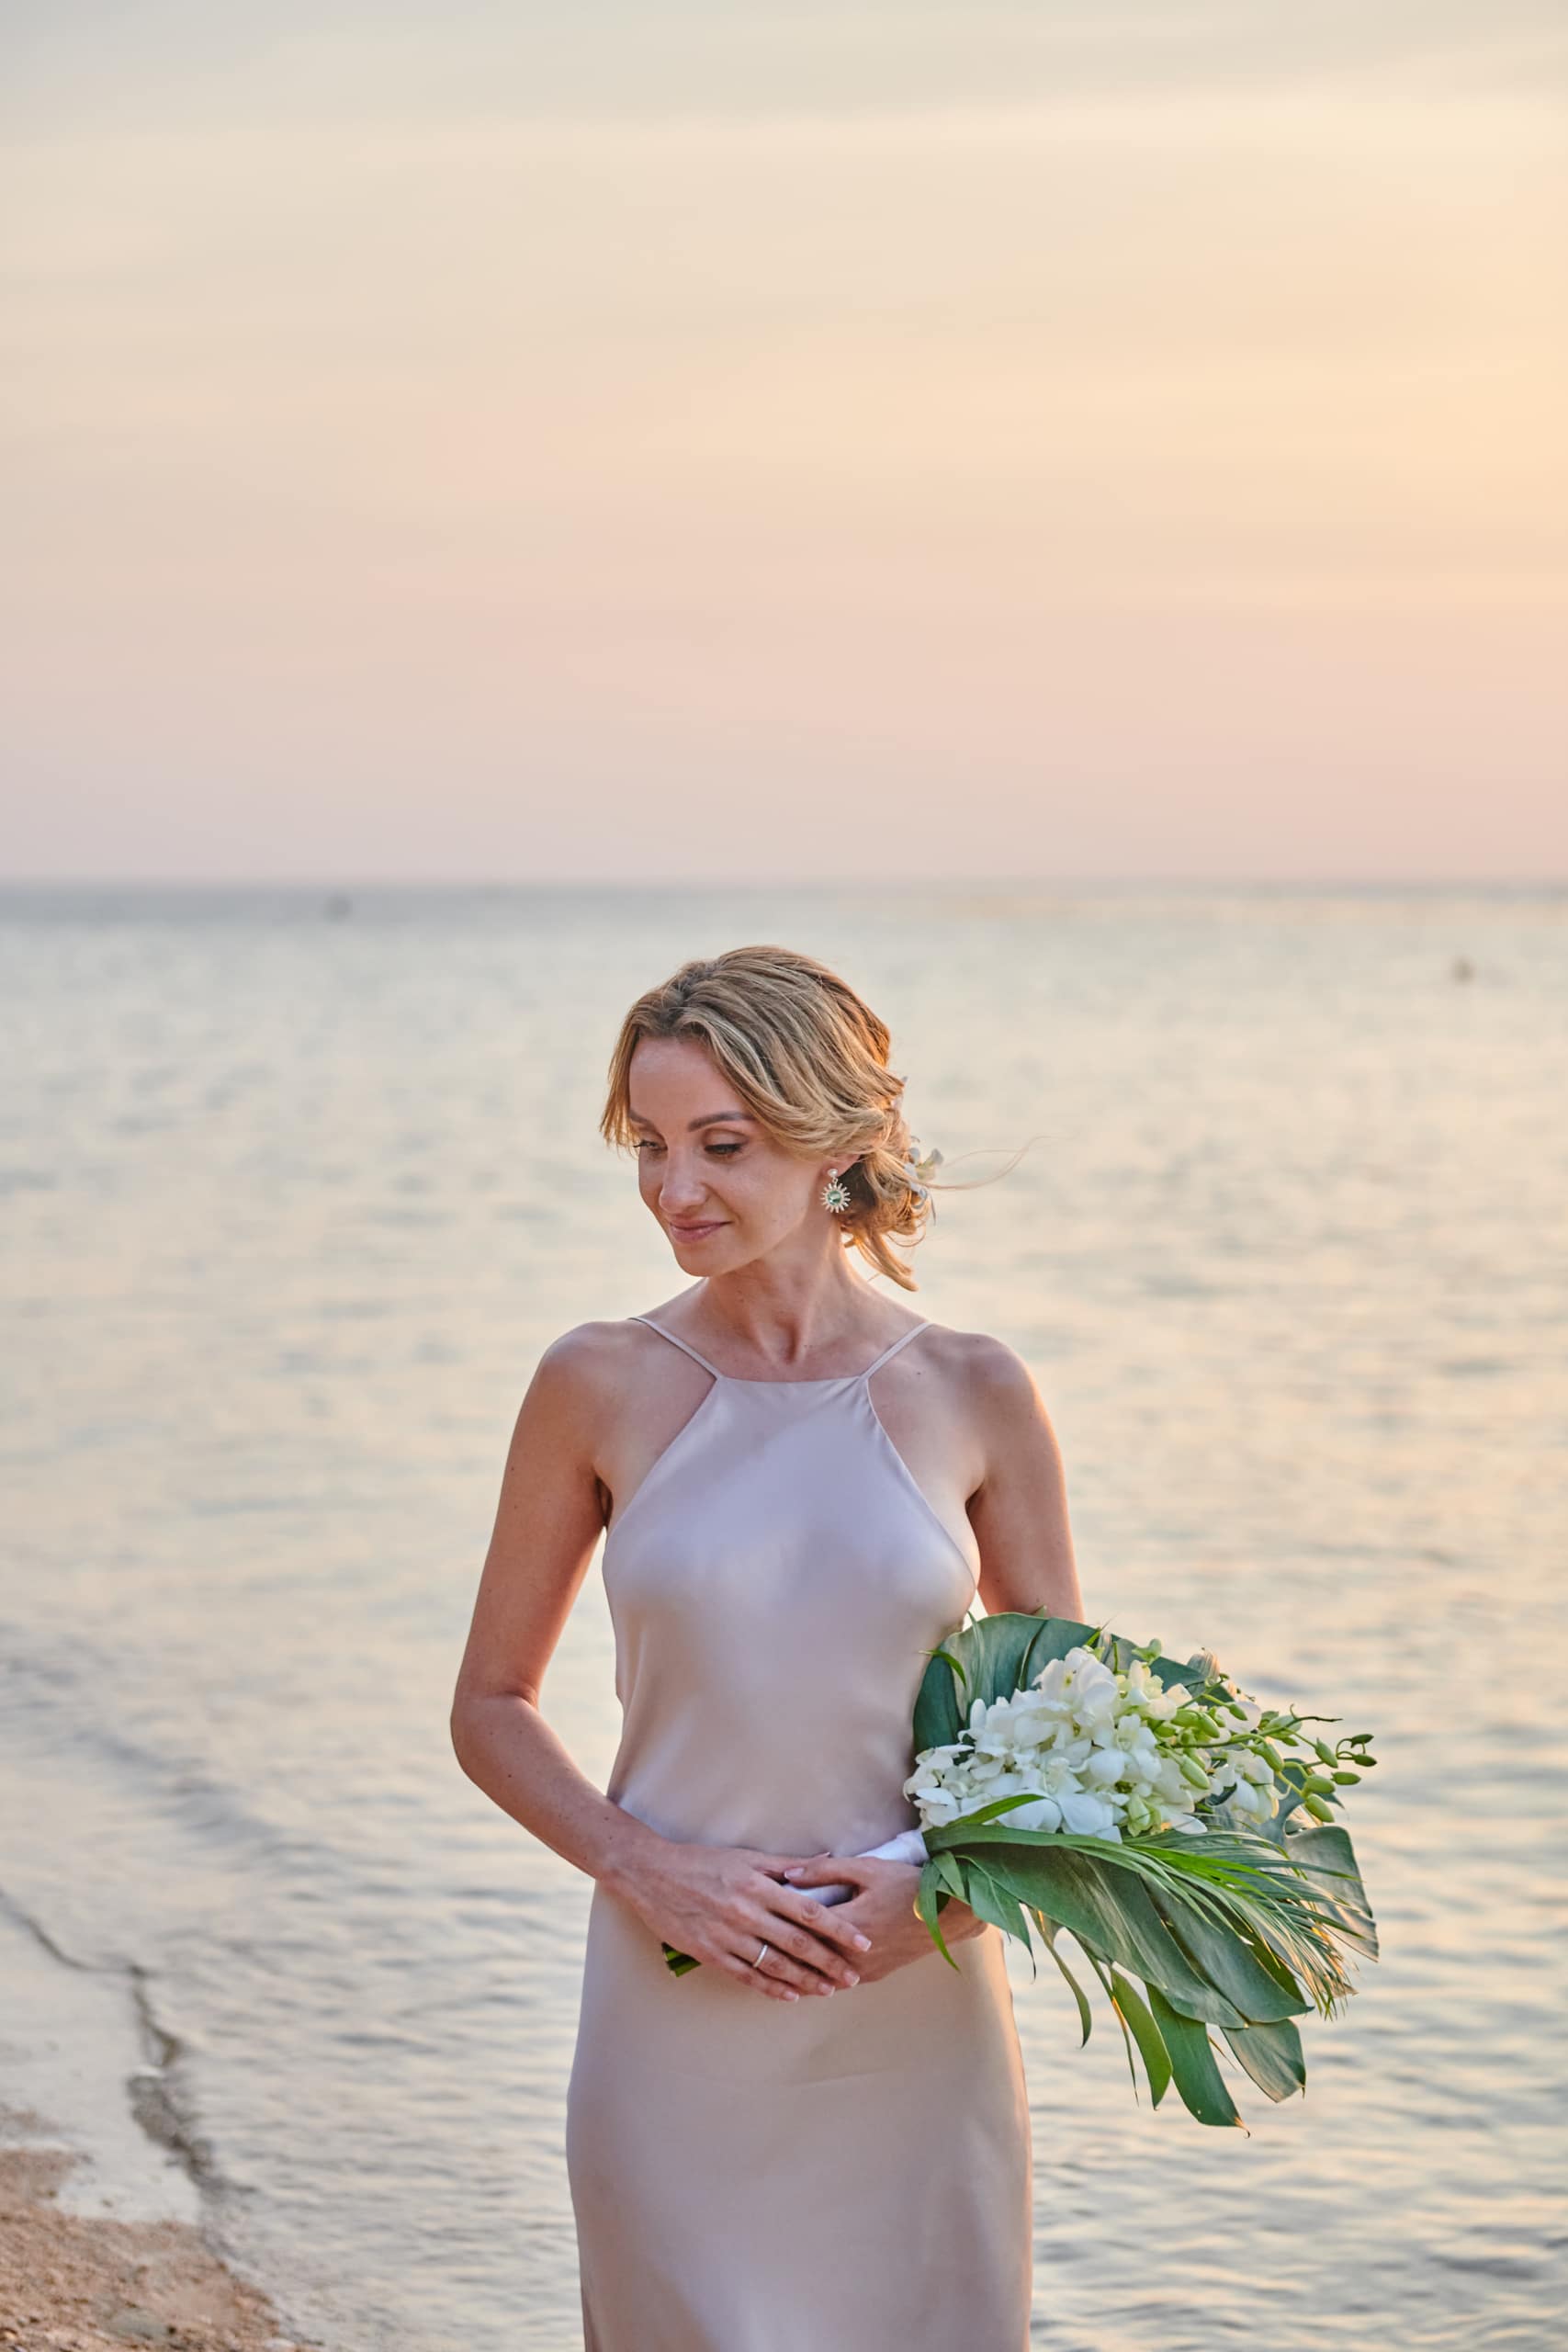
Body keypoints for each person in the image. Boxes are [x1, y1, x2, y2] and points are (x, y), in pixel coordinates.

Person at [449, 944, 1084, 2350]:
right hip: (673, 2009)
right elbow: (490, 1705)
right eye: (650, 1143)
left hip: (916, 2012)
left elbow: (1069, 1746)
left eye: (721, 1144)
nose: (674, 1188)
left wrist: (937, 1907)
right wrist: (646, 1868)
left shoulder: (976, 1389)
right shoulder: (595, 1382)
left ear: (835, 1141)